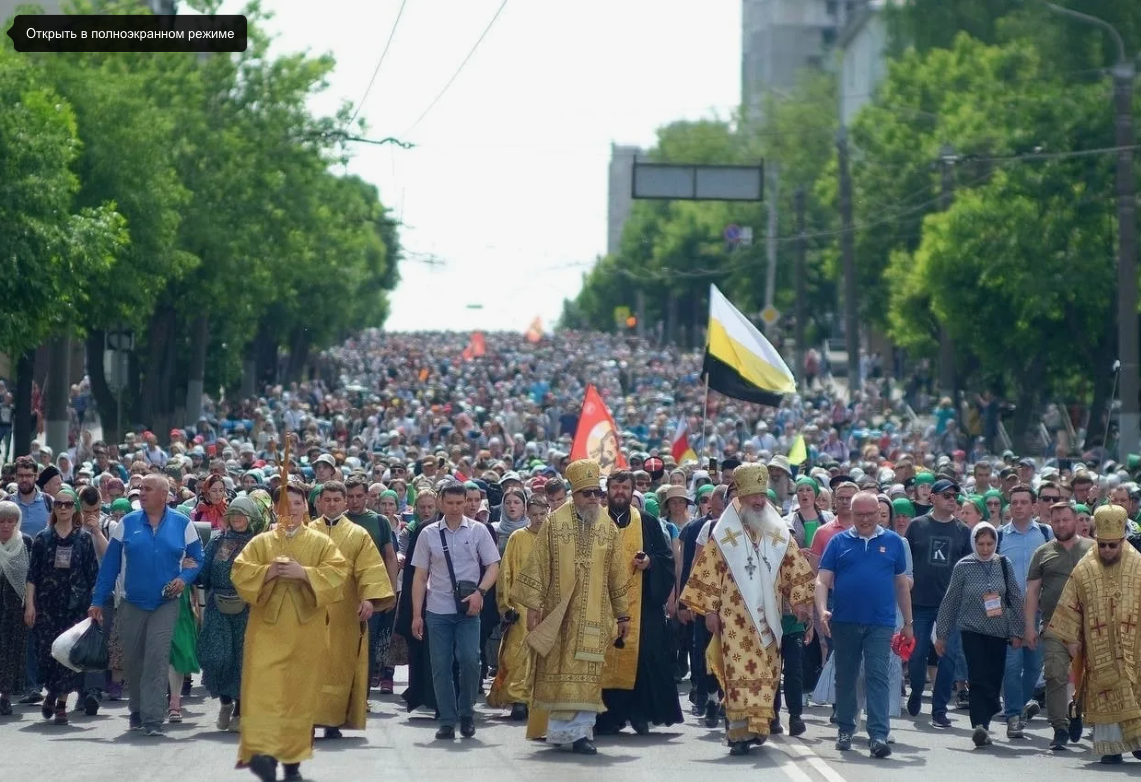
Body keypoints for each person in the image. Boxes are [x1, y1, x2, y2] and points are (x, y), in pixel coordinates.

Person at [680, 464, 816, 756]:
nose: (758, 501)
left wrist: (802, 601)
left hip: (768, 618)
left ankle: (757, 728)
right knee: (738, 673)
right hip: (734, 618)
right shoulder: (723, 532)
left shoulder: (776, 529)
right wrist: (711, 611)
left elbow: (794, 568)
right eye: (752, 496)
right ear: (739, 497)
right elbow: (709, 573)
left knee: (766, 674)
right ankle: (738, 732)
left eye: (761, 496)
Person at [230, 477, 348, 782]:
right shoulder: (261, 542)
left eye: (298, 503)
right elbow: (240, 572)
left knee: (298, 695)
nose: (292, 510)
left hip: (305, 630)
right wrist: (268, 572)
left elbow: (337, 575)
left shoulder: (322, 542)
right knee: (265, 693)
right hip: (266, 631)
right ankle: (263, 754)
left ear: (306, 506)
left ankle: (292, 765)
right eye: (285, 504)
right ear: (275, 509)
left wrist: (304, 574)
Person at [512, 459, 631, 755]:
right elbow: (538, 566)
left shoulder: (608, 527)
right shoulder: (555, 522)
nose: (593, 499)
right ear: (574, 494)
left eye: (596, 493)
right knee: (558, 672)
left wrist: (623, 613)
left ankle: (581, 733)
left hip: (595, 614)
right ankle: (560, 732)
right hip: (558, 614)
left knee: (588, 674)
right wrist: (534, 608)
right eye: (586, 493)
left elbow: (617, 573)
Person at [89, 473, 204, 737]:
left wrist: (184, 578)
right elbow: (110, 567)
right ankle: (137, 709)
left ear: (164, 495)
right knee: (134, 660)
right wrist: (97, 601)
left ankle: (153, 718)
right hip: (131, 604)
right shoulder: (126, 524)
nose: (141, 492)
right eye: (140, 488)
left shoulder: (183, 524)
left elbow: (198, 558)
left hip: (166, 603)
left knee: (157, 656)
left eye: (148, 489)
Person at [816, 490, 913, 759]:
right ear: (851, 513)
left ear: (879, 514)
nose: (865, 519)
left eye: (871, 514)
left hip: (880, 623)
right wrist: (823, 608)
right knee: (845, 677)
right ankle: (846, 728)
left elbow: (901, 584)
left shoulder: (894, 542)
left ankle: (878, 735)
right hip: (845, 621)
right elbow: (822, 579)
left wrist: (908, 622)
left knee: (877, 677)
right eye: (859, 514)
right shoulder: (838, 542)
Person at [1049, 504, 1141, 764]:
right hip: (1098, 648)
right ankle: (1111, 747)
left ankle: (1137, 742)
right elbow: (1070, 605)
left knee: (1135, 690)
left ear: (1123, 540)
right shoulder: (1085, 568)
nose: (1107, 550)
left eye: (1113, 545)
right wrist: (1073, 638)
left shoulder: (1138, 565)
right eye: (1103, 545)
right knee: (1107, 692)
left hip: (1135, 645)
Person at [410, 479, 500, 741]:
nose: (455, 508)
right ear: (440, 502)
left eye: (460, 503)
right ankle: (448, 720)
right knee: (440, 665)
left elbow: (493, 566)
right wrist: (417, 614)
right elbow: (419, 576)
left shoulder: (478, 531)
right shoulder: (428, 534)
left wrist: (480, 593)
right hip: (437, 610)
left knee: (471, 661)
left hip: (469, 609)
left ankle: (467, 712)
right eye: (449, 503)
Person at [594, 470, 682, 736]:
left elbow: (666, 559)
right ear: (607, 490)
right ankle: (608, 717)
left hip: (642, 605)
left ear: (632, 491)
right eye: (615, 487)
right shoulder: (594, 521)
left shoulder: (647, 521)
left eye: (625, 487)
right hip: (601, 605)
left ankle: (640, 713)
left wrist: (650, 562)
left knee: (645, 656)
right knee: (605, 658)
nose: (620, 492)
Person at [309, 480, 395, 738]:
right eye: (328, 500)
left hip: (346, 612)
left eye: (337, 500)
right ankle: (309, 719)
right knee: (311, 665)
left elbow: (370, 568)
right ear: (320, 502)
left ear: (345, 502)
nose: (332, 504)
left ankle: (335, 720)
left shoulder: (359, 535)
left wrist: (369, 600)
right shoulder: (307, 531)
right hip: (311, 612)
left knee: (341, 665)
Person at [935, 522, 1024, 748]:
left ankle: (992, 707)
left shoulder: (1004, 564)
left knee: (994, 679)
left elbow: (1014, 597)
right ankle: (980, 726)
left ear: (996, 543)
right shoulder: (964, 566)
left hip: (999, 631)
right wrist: (942, 635)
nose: (985, 548)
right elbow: (950, 601)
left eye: (989, 543)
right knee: (977, 677)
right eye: (980, 543)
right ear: (974, 542)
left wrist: (1017, 631)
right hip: (972, 630)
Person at [1023, 501, 1094, 750]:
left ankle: (1077, 712)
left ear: (1076, 520)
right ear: (1050, 522)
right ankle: (1059, 728)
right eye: (1056, 520)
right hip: (1053, 624)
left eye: (1066, 519)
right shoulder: (1042, 553)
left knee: (1090, 677)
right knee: (1054, 674)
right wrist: (1029, 627)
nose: (1061, 524)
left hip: (1089, 626)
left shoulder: (1092, 549)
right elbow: (1032, 592)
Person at [26, 487, 100, 725]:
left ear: (75, 508)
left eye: (68, 504)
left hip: (75, 607)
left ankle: (60, 704)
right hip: (47, 607)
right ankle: (52, 692)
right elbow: (32, 576)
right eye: (59, 504)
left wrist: (95, 606)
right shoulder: (42, 538)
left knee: (68, 655)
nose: (64, 508)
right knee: (47, 655)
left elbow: (93, 576)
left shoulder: (84, 539)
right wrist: (30, 605)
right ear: (54, 507)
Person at [904, 478, 972, 728]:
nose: (952, 499)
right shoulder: (917, 526)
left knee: (949, 657)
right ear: (932, 498)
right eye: (946, 495)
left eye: (955, 496)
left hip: (949, 607)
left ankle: (939, 708)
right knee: (917, 654)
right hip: (920, 603)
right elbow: (906, 565)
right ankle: (917, 688)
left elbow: (968, 569)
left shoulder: (964, 531)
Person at [196, 496, 265, 732]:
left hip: (247, 609)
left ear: (252, 517)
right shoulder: (217, 541)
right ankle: (225, 701)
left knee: (242, 660)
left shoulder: (259, 543)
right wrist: (189, 569)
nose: (237, 518)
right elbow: (203, 571)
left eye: (242, 513)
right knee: (216, 656)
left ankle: (240, 711)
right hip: (218, 607)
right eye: (233, 513)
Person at [997, 484, 1054, 736]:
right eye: (1014, 502)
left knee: (1033, 665)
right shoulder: (998, 536)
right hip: (1009, 612)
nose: (1018, 506)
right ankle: (1013, 715)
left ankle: (1018, 706)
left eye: (1023, 502)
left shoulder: (1045, 532)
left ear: (1034, 506)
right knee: (1011, 664)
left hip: (1039, 611)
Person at [487, 493, 548, 720]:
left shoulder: (555, 537)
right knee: (516, 652)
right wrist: (505, 605)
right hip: (521, 605)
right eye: (534, 515)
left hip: (550, 604)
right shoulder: (517, 537)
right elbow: (506, 573)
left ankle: (539, 697)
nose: (539, 519)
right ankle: (518, 698)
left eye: (543, 514)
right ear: (527, 514)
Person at [0, 501, 29, 716]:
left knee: (10, 652)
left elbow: (32, 578)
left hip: (15, 609)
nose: (6, 525)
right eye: (1, 521)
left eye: (11, 521)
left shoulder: (25, 543)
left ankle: (6, 696)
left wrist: (30, 605)